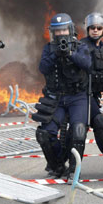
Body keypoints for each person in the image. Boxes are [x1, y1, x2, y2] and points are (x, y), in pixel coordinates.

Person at [32, 13, 91, 181]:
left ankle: (74, 169)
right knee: (45, 133)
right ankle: (57, 165)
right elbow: (43, 68)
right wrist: (56, 54)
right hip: (56, 98)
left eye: (64, 29)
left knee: (78, 131)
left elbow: (87, 65)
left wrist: (70, 53)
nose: (61, 34)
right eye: (57, 31)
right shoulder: (48, 48)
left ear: (70, 30)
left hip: (77, 97)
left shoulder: (80, 46)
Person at [81, 12, 103, 178]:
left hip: (95, 96)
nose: (95, 30)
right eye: (92, 28)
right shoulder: (81, 46)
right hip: (81, 96)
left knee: (99, 125)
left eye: (99, 28)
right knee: (94, 125)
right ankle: (63, 166)